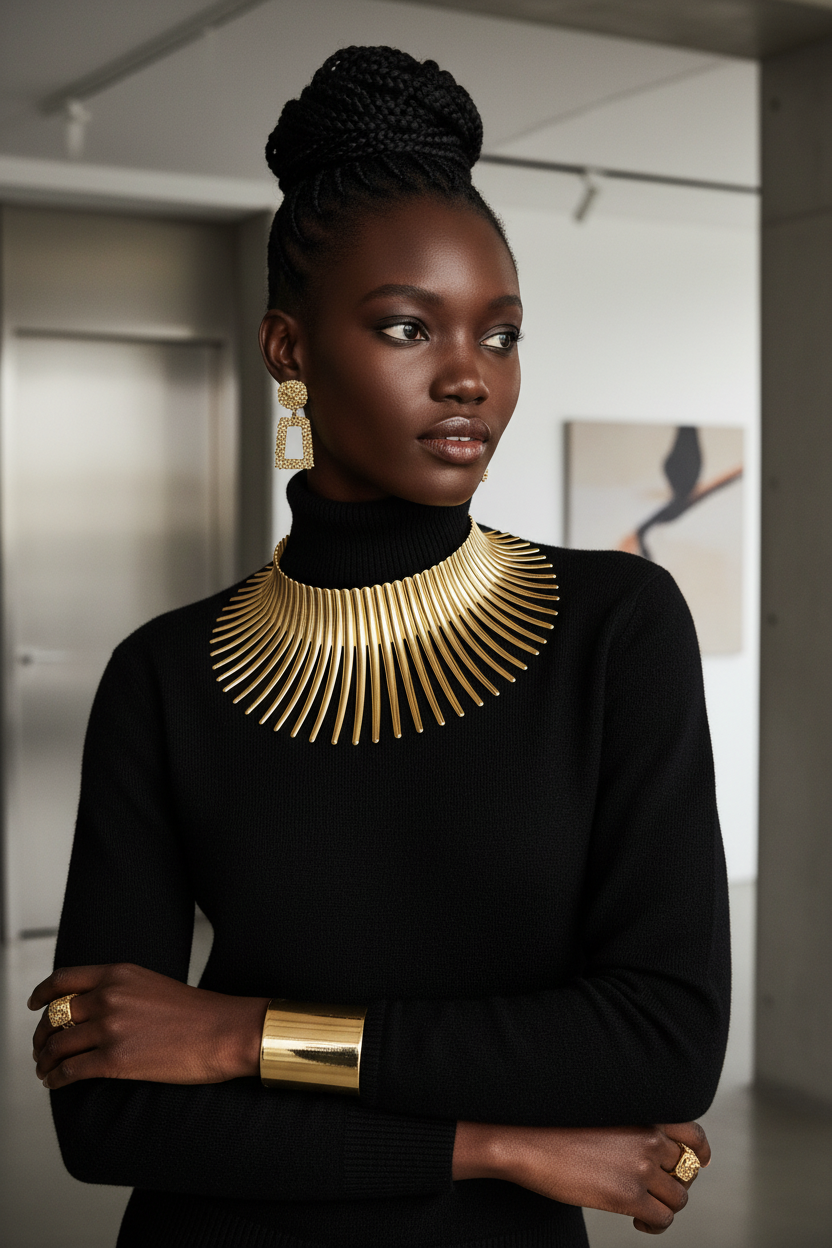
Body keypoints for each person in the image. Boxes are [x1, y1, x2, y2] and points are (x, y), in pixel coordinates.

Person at [27, 46, 730, 1248]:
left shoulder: (615, 630)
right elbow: (105, 1116)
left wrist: (241, 1036)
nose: (469, 377)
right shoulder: (166, 673)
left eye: (500, 336)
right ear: (288, 350)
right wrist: (497, 1142)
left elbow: (657, 1047)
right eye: (408, 326)